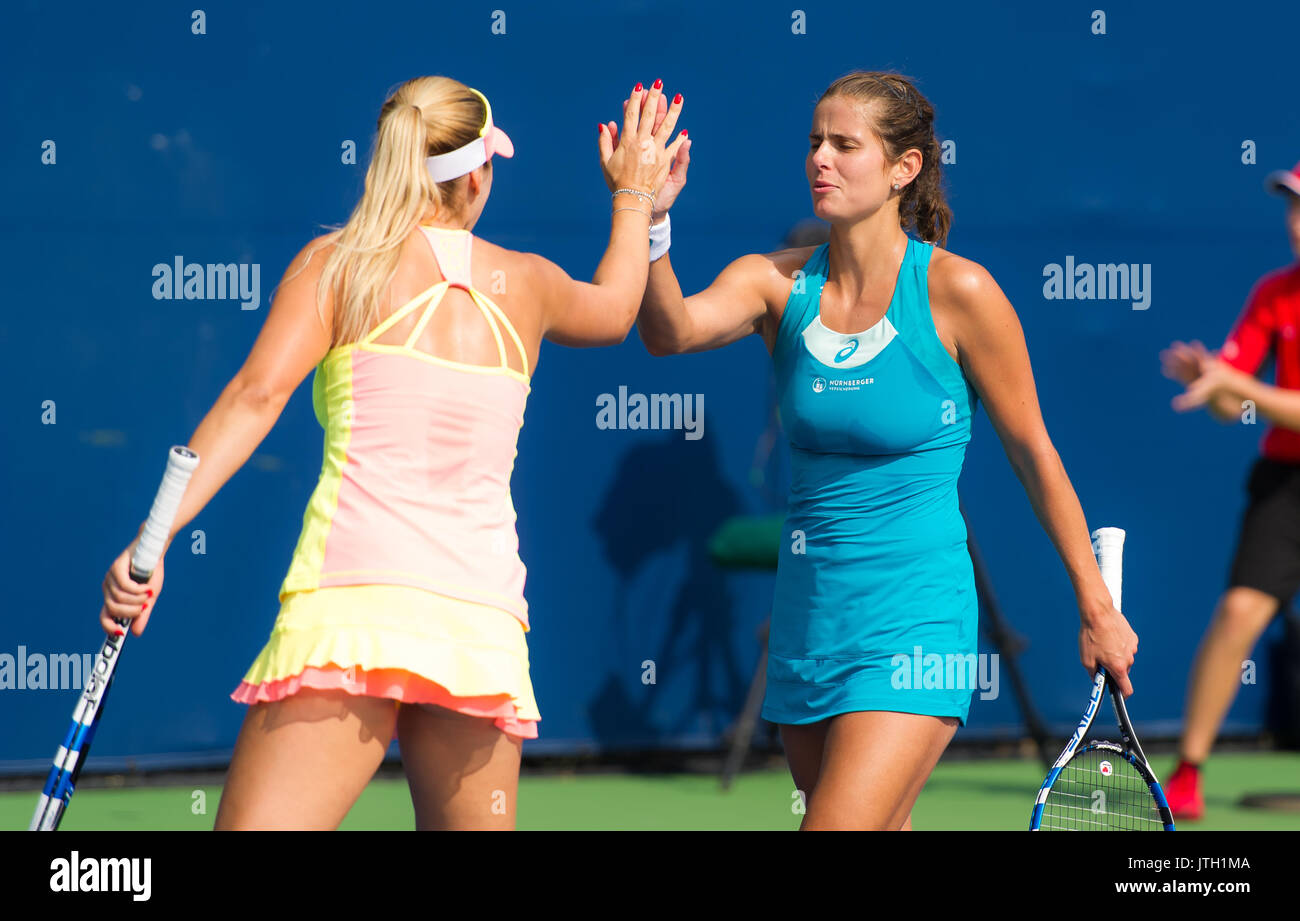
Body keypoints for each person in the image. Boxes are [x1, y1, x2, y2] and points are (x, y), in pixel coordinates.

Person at [98, 75, 686, 830]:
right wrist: (636, 195)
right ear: (476, 173)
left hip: (351, 611)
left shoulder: (335, 265)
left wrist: (156, 538)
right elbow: (616, 307)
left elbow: (255, 397)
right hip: (478, 629)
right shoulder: (529, 285)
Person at [625, 70, 1138, 830]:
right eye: (813, 143)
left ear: (905, 168)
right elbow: (668, 332)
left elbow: (1034, 453)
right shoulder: (774, 283)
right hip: (811, 622)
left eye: (844, 144)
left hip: (917, 623)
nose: (820, 161)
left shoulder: (961, 293)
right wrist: (651, 222)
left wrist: (1095, 603)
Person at [1159, 161, 1300, 820]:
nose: (1295, 223)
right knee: (1241, 611)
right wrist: (1214, 383)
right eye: (1291, 209)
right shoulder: (1274, 293)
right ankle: (1188, 770)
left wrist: (1234, 385)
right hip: (1285, 483)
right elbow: (1229, 401)